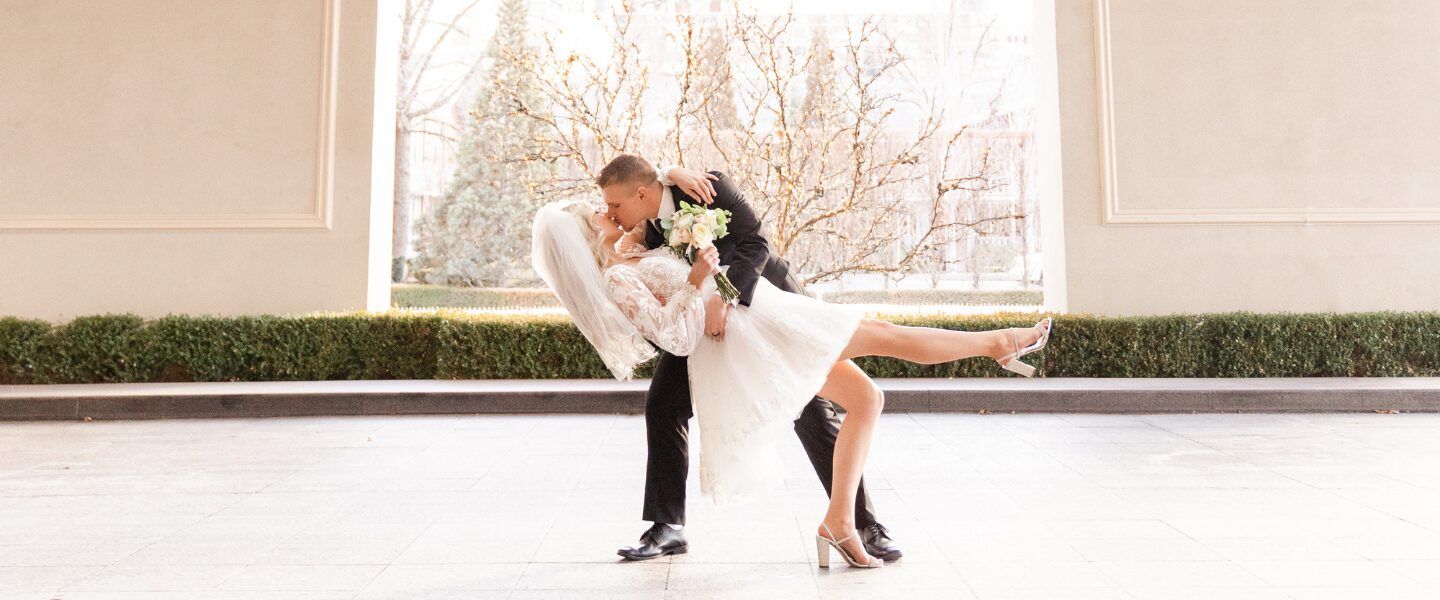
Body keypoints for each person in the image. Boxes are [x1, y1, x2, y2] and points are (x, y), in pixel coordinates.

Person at [530, 155, 1051, 569]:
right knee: (664, 406)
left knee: (839, 405)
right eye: (601, 211)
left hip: (760, 304)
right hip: (714, 331)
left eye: (611, 206)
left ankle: (852, 522)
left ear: (643, 194)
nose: (605, 212)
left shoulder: (698, 187)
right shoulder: (634, 235)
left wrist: (722, 291)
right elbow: (633, 218)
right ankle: (668, 526)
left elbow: (752, 243)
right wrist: (696, 290)